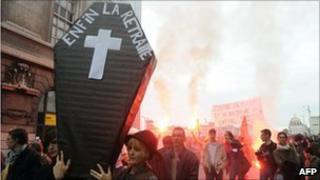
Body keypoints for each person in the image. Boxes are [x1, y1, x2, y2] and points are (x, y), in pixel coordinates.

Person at [90, 130, 160, 180]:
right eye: (129, 148)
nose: (131, 152)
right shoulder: (122, 172)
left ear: (147, 154)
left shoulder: (150, 178)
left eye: (137, 149)